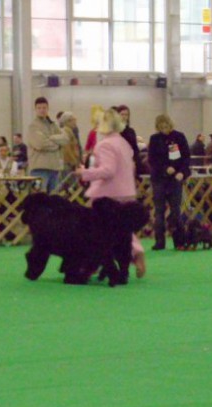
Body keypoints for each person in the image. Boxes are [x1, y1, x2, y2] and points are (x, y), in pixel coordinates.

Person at [75, 108, 146, 278]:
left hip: (107, 193)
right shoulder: (123, 142)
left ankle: (93, 262)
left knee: (93, 229)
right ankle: (136, 252)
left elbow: (108, 170)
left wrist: (84, 173)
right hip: (126, 190)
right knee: (124, 229)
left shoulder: (104, 145)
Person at [148, 114, 191, 250]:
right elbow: (152, 160)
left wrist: (181, 173)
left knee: (175, 211)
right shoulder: (154, 139)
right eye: (161, 127)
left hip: (175, 179)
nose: (164, 129)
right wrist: (166, 168)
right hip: (159, 178)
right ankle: (159, 242)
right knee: (159, 212)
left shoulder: (179, 137)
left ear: (170, 125)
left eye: (166, 126)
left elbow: (186, 158)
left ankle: (179, 242)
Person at [26, 97, 69, 192]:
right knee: (39, 199)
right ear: (35, 109)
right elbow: (40, 144)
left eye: (44, 107)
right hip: (39, 169)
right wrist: (57, 144)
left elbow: (65, 139)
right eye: (39, 108)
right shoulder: (33, 126)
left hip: (54, 168)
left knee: (54, 200)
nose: (42, 110)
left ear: (48, 108)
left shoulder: (53, 125)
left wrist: (51, 138)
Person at [115, 105, 142, 176]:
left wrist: (134, 160)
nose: (124, 117)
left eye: (126, 115)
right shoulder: (114, 131)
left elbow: (135, 148)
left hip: (130, 158)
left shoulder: (131, 131)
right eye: (122, 114)